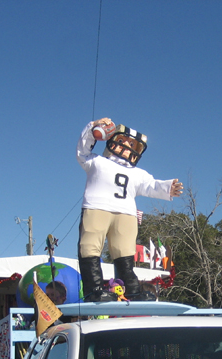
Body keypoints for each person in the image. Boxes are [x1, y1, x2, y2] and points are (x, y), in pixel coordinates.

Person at [76, 117, 183, 301]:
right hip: (97, 208)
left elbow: (151, 185)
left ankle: (132, 290)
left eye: (132, 144)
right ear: (111, 140)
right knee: (90, 248)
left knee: (125, 252)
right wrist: (92, 127)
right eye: (122, 141)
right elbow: (82, 151)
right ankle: (94, 289)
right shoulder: (97, 162)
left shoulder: (137, 173)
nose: (127, 146)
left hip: (125, 213)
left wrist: (167, 187)